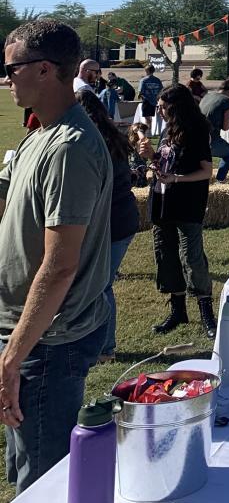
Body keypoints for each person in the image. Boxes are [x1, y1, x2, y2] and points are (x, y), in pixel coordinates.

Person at [0, 19, 112, 493]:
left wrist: (12, 359)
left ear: (45, 70)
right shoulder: (40, 134)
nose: (6, 78)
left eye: (12, 68)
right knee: (22, 464)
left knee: (41, 487)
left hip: (46, 344)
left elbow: (60, 265)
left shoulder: (70, 147)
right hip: (29, 336)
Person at [136, 84, 217, 339]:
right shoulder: (167, 129)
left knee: (192, 257)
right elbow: (164, 164)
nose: (159, 111)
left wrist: (177, 179)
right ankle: (178, 310)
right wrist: (151, 156)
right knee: (166, 255)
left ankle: (207, 313)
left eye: (163, 107)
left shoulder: (196, 130)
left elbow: (206, 171)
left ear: (176, 106)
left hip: (187, 203)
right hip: (162, 202)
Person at [76, 91, 140, 363]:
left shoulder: (92, 142)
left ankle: (105, 348)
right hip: (123, 218)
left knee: (100, 287)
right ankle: (99, 345)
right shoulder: (112, 136)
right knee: (100, 285)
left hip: (111, 222)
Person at [199, 76, 229, 182]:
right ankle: (220, 180)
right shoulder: (227, 101)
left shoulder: (208, 95)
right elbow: (225, 127)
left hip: (195, 136)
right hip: (210, 139)